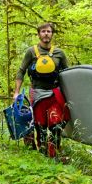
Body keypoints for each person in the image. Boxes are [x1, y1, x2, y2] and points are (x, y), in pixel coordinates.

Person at [13, 23, 70, 158]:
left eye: (49, 31)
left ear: (52, 34)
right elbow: (21, 71)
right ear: (39, 34)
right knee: (41, 126)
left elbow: (67, 74)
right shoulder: (31, 52)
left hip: (55, 93)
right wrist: (16, 92)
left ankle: (54, 150)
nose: (46, 34)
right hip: (37, 93)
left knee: (56, 124)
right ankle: (43, 150)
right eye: (43, 31)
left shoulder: (59, 53)